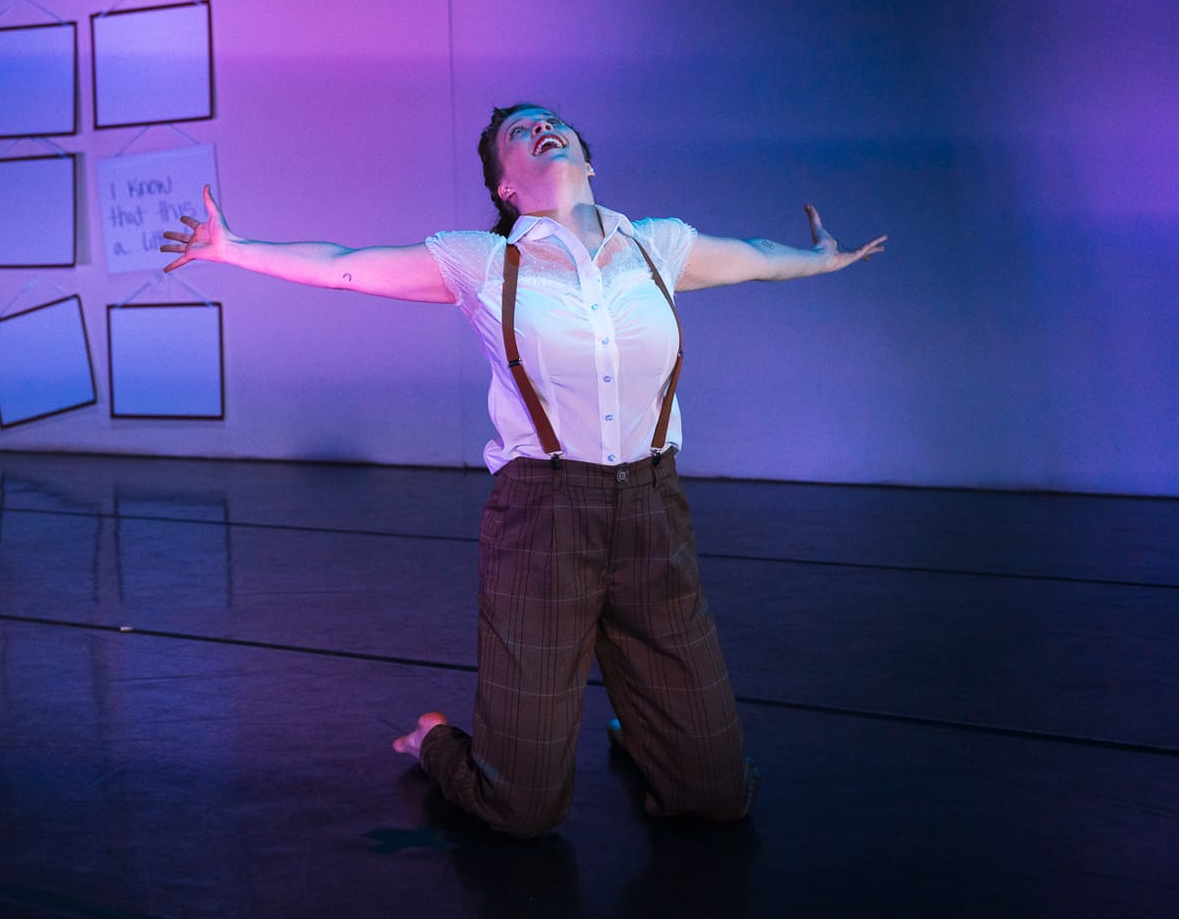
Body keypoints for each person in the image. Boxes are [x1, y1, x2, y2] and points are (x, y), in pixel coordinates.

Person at [160, 102, 884, 838]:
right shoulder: (483, 261)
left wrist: (822, 258)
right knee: (523, 809)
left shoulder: (657, 245)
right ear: (505, 187)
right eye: (519, 131)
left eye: (553, 122)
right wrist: (235, 248)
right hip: (542, 519)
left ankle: (645, 728)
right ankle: (435, 739)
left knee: (720, 795)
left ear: (588, 160)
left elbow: (756, 256)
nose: (542, 127)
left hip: (653, 511)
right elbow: (346, 264)